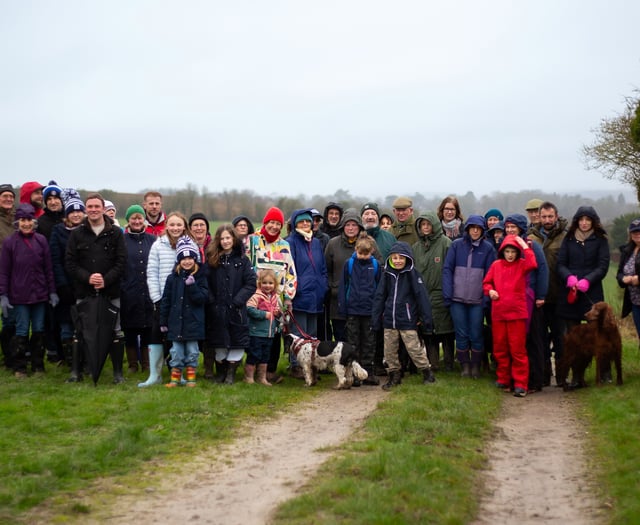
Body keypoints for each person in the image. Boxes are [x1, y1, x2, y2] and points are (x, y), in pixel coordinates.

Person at [65, 194, 127, 383]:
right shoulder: (77, 233)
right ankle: (77, 373)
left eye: (96, 206)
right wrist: (88, 277)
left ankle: (118, 374)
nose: (93, 209)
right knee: (80, 330)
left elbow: (121, 261)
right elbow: (70, 262)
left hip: (110, 290)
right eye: (89, 206)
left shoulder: (115, 233)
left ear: (102, 208)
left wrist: (105, 280)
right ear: (86, 209)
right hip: (84, 291)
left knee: (116, 330)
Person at [0, 204, 57, 377]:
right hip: (19, 296)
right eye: (23, 220)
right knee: (22, 330)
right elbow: (4, 272)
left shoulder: (41, 241)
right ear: (18, 222)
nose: (26, 224)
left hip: (40, 294)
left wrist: (52, 291)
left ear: (34, 221)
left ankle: (38, 365)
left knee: (39, 329)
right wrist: (3, 295)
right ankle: (20, 367)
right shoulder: (10, 243)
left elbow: (48, 269)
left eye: (29, 220)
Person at [556, 206, 610, 384]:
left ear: (593, 221)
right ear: (576, 221)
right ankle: (577, 376)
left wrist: (588, 280)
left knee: (599, 336)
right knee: (574, 338)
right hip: (571, 295)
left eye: (588, 220)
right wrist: (569, 277)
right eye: (581, 219)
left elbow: (603, 266)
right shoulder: (569, 239)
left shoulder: (601, 240)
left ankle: (604, 373)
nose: (584, 223)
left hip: (592, 295)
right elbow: (560, 264)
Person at [371, 241, 436, 390]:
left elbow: (422, 297)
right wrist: (375, 319)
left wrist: (426, 320)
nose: (398, 261)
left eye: (401, 258)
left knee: (414, 348)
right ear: (390, 259)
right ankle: (394, 375)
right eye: (395, 258)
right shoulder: (387, 274)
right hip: (389, 320)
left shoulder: (413, 274)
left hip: (407, 320)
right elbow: (380, 297)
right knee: (389, 351)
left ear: (407, 259)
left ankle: (427, 372)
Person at [139, 211, 193, 387]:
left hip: (183, 300)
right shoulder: (158, 245)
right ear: (166, 226)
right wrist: (156, 298)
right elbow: (152, 273)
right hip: (162, 299)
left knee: (177, 337)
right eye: (172, 224)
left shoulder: (189, 244)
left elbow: (195, 271)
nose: (175, 228)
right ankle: (155, 375)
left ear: (184, 226)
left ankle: (177, 374)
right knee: (156, 334)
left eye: (179, 225)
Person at [483, 234, 538, 397]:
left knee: (517, 350)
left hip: (516, 314)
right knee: (500, 348)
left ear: (518, 252)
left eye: (513, 251)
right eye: (507, 251)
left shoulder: (522, 265)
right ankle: (503, 379)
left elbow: (533, 263)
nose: (510, 254)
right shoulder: (496, 265)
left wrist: (525, 246)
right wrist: (490, 291)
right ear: (502, 252)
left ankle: (521, 383)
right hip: (499, 313)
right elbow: (486, 282)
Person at [442, 215, 496, 378]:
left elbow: (490, 275)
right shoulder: (457, 246)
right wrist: (448, 294)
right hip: (457, 299)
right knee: (461, 333)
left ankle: (476, 365)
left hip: (477, 301)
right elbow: (447, 269)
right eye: (472, 227)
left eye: (478, 228)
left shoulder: (488, 249)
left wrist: (486, 299)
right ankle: (465, 364)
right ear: (467, 229)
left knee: (476, 333)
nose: (474, 230)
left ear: (482, 230)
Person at [247, 207, 297, 384]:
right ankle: (250, 373)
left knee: (274, 336)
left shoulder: (284, 245)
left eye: (278, 224)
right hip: (256, 298)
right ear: (265, 222)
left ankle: (269, 372)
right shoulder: (252, 241)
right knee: (255, 336)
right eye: (272, 223)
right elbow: (246, 267)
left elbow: (290, 272)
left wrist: (289, 296)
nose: (274, 227)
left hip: (277, 300)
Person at [503, 213, 549, 393]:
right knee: (516, 342)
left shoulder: (532, 246)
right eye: (507, 227)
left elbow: (542, 269)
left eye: (513, 227)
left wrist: (541, 295)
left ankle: (535, 380)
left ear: (521, 228)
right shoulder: (506, 247)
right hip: (513, 300)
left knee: (533, 340)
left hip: (531, 299)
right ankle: (517, 379)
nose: (509, 230)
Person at [207, 224, 257, 384]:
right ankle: (221, 373)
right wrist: (212, 302)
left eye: (228, 237)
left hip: (237, 310)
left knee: (237, 341)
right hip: (217, 310)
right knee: (219, 342)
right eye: (222, 238)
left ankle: (231, 375)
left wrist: (237, 301)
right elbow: (205, 283)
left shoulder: (243, 260)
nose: (225, 241)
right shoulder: (213, 260)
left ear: (234, 239)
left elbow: (251, 283)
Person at [528, 201, 568, 386]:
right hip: (538, 298)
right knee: (540, 338)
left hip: (559, 296)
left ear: (556, 216)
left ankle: (562, 376)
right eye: (543, 216)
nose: (547, 220)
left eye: (550, 216)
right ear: (539, 216)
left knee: (561, 338)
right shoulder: (531, 238)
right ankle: (543, 375)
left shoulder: (565, 238)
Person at [160, 236, 208, 388]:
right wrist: (163, 321)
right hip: (176, 323)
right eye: (183, 258)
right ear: (179, 260)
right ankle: (175, 378)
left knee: (192, 351)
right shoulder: (172, 279)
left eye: (190, 258)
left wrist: (192, 287)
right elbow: (166, 301)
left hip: (193, 323)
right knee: (176, 352)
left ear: (195, 259)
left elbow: (203, 298)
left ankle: (191, 378)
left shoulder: (200, 278)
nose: (187, 261)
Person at [286, 209, 328, 377]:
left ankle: (310, 364)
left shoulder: (316, 243)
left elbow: (323, 268)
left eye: (308, 221)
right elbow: (288, 270)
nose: (305, 224)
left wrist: (323, 286)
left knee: (311, 334)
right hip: (299, 295)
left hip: (316, 295)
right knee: (298, 335)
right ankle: (296, 366)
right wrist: (295, 290)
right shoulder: (290, 242)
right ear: (295, 223)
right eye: (301, 221)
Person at [325, 209, 378, 342]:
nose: (350, 228)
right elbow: (326, 269)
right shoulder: (333, 244)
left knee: (362, 338)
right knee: (341, 337)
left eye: (354, 225)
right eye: (347, 225)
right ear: (342, 226)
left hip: (363, 302)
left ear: (359, 226)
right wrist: (333, 287)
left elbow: (379, 265)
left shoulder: (368, 243)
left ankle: (361, 363)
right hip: (338, 300)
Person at [412, 211, 454, 371]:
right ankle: (433, 363)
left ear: (435, 225)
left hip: (441, 293)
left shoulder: (446, 243)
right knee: (428, 332)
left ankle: (449, 363)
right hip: (423, 294)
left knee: (447, 331)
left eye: (428, 224)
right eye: (423, 225)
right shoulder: (416, 247)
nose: (426, 227)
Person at [337, 233, 381, 385]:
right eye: (360, 253)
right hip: (353, 310)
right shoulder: (349, 264)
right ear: (355, 249)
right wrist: (343, 307)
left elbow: (379, 288)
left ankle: (368, 372)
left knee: (369, 342)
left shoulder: (375, 265)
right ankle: (354, 374)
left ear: (372, 252)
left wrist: (378, 309)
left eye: (366, 254)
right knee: (353, 343)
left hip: (369, 310)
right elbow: (343, 287)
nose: (363, 256)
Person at [49, 194, 85, 372]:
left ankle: (85, 361)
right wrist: (63, 285)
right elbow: (55, 260)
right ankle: (72, 361)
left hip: (85, 286)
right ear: (67, 214)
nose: (76, 214)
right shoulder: (58, 231)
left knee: (84, 326)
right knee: (66, 327)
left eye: (79, 211)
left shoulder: (88, 230)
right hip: (65, 287)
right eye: (73, 211)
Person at [121, 205, 156, 374]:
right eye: (133, 218)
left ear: (144, 220)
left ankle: (147, 363)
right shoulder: (122, 241)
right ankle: (133, 364)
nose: (136, 221)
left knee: (148, 328)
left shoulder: (152, 240)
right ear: (128, 221)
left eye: (139, 218)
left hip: (148, 291)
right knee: (130, 330)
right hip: (129, 291)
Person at [246, 268, 283, 386]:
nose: (268, 286)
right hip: (256, 332)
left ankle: (262, 378)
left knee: (265, 356)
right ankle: (249, 377)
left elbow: (276, 311)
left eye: (271, 283)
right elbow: (249, 309)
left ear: (275, 284)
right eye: (265, 283)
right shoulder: (256, 296)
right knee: (254, 354)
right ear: (259, 283)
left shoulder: (275, 297)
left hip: (270, 333)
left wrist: (277, 313)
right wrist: (263, 314)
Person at [617, 218, 640, 347]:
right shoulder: (627, 251)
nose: (637, 234)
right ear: (630, 235)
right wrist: (623, 279)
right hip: (635, 302)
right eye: (634, 232)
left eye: (639, 231)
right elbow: (619, 273)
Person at [0, 184, 16, 368]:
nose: (8, 199)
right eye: (4, 196)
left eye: (10, 196)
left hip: (15, 277)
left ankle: (10, 356)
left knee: (10, 319)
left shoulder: (15, 219)